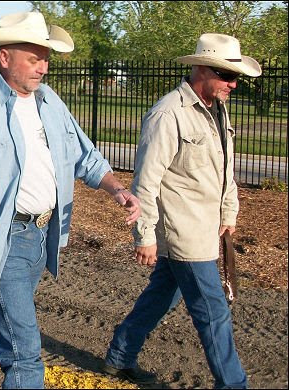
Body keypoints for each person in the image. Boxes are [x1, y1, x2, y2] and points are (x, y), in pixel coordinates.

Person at [0, 12, 140, 389]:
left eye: (46, 58)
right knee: (25, 354)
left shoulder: (49, 102)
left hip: (42, 236)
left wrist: (116, 188)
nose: (43, 67)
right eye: (34, 58)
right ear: (4, 57)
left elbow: (84, 155)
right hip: (3, 241)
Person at [102, 33, 261, 388]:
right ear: (201, 69)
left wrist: (228, 214)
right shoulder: (168, 114)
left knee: (163, 294)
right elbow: (146, 179)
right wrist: (143, 234)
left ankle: (119, 356)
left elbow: (224, 170)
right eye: (226, 76)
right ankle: (234, 385)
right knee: (213, 312)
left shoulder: (216, 110)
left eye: (235, 78)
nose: (233, 84)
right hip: (183, 232)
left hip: (206, 227)